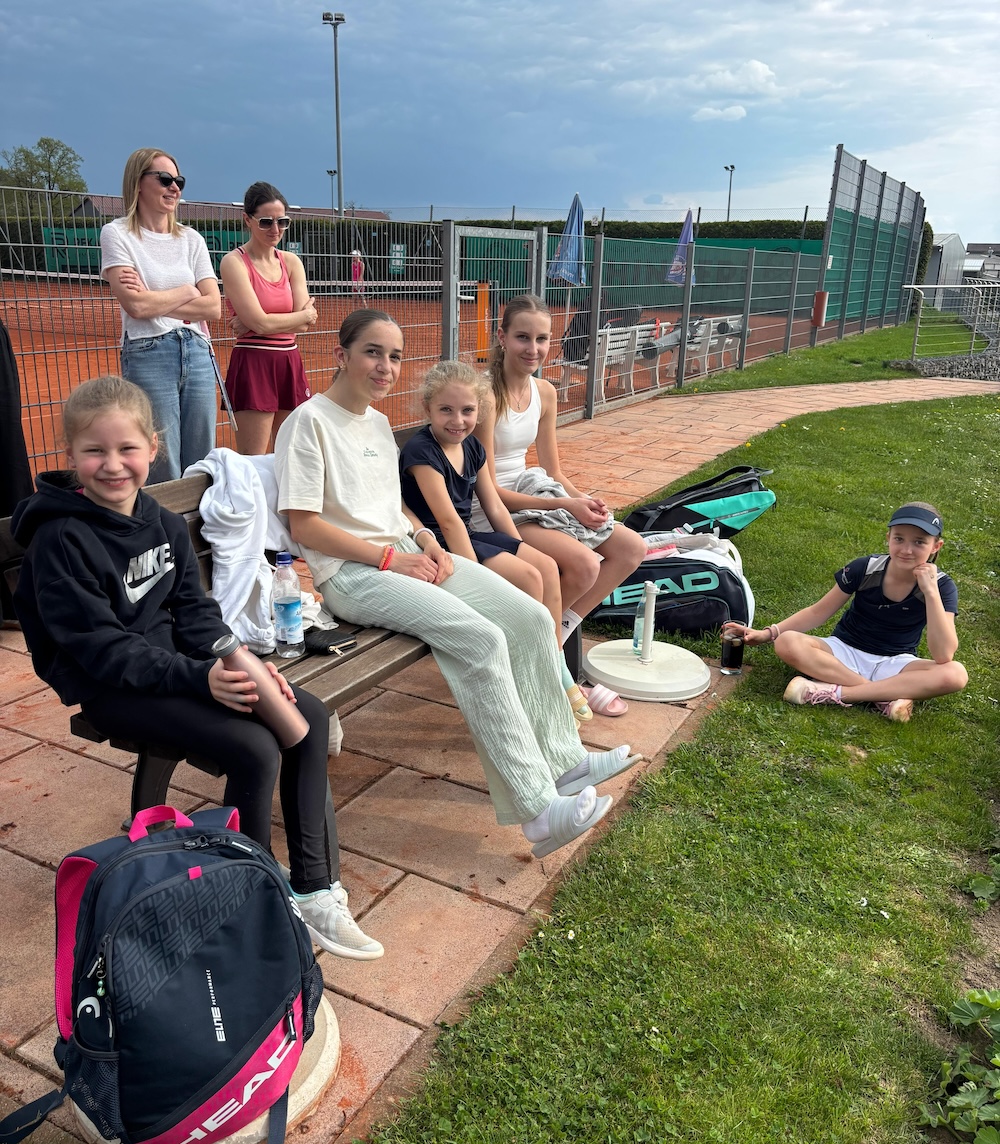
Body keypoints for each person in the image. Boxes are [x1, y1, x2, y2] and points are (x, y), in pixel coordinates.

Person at [11, 376, 380, 960]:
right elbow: (100, 649)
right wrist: (200, 678)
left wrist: (242, 662)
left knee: (307, 717)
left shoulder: (158, 520)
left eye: (127, 449)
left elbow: (194, 610)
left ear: (152, 448)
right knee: (254, 748)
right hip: (112, 687)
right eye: (95, 451)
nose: (113, 465)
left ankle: (314, 889)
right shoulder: (61, 540)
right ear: (71, 454)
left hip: (177, 669)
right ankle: (248, 899)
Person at [274, 309, 641, 856]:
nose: (385, 366)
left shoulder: (375, 423)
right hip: (352, 574)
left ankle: (566, 763)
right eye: (373, 352)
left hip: (407, 555)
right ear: (340, 355)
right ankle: (539, 815)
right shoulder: (308, 423)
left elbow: (392, 509)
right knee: (481, 638)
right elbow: (305, 525)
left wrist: (423, 538)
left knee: (529, 616)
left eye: (395, 356)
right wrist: (389, 558)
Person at [474, 293, 646, 716]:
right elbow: (488, 488)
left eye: (542, 339)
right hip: (495, 509)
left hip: (537, 495)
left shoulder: (545, 392)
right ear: (502, 337)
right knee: (585, 565)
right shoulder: (486, 395)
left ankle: (552, 638)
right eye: (522, 337)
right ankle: (551, 668)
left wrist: (583, 499)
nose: (533, 349)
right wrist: (565, 506)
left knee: (632, 548)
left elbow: (553, 468)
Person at [398, 359, 591, 721]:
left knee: (546, 567)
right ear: (428, 408)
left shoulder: (472, 447)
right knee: (529, 577)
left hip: (468, 534)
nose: (458, 420)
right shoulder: (421, 452)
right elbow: (448, 522)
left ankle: (552, 668)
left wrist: (521, 547)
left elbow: (495, 507)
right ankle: (534, 681)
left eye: (467, 411)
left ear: (479, 411)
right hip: (440, 544)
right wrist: (478, 579)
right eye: (446, 410)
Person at [727, 502, 968, 722]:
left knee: (955, 674)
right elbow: (818, 612)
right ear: (888, 538)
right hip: (843, 652)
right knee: (787, 642)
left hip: (896, 662)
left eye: (919, 542)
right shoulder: (865, 568)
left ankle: (837, 692)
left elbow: (944, 654)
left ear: (936, 546)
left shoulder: (943, 586)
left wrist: (931, 592)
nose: (906, 549)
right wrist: (768, 634)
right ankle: (884, 697)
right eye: (899, 539)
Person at [100, 147, 221, 484]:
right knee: (160, 461)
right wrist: (187, 291)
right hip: (148, 351)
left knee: (202, 461)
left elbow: (213, 307)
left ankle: (199, 520)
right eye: (165, 179)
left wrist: (152, 296)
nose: (174, 187)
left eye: (179, 181)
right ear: (138, 182)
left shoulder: (192, 239)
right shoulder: (117, 234)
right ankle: (162, 521)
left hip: (197, 350)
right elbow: (136, 308)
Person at [220, 181, 317, 455]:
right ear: (247, 220)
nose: (275, 229)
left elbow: (304, 323)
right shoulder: (234, 262)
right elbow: (268, 321)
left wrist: (259, 321)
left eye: (282, 222)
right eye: (266, 222)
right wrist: (288, 318)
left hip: (289, 361)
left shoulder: (291, 261)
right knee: (253, 461)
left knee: (290, 456)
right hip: (254, 365)